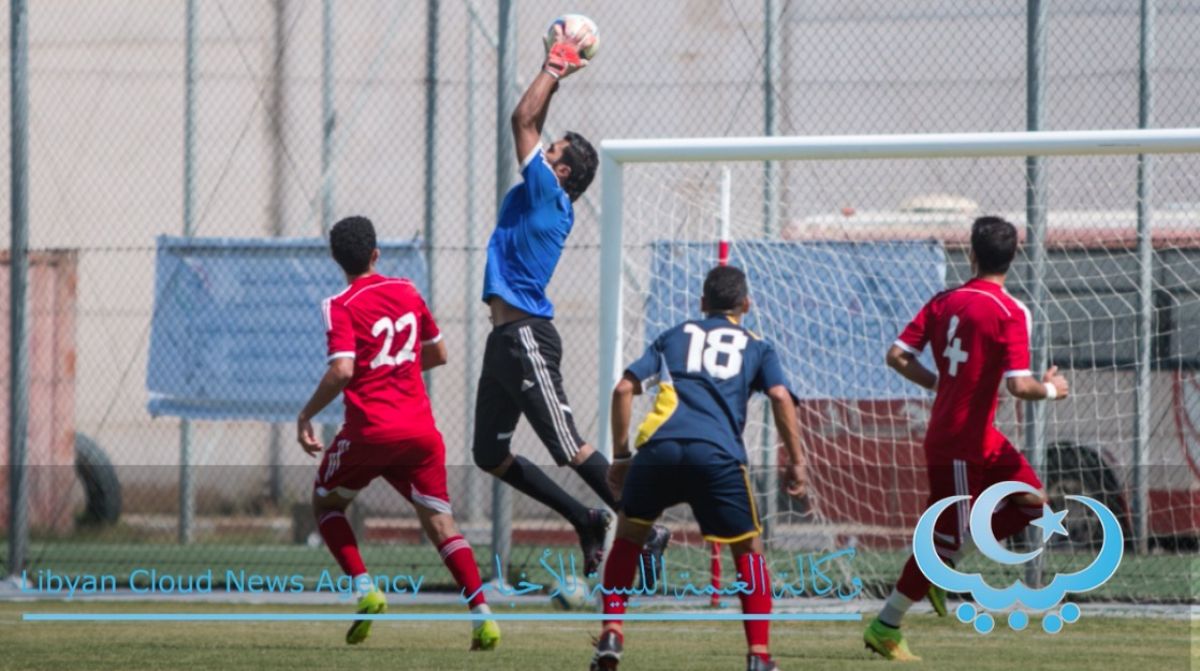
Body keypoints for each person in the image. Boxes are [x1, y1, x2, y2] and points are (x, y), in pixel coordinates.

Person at [472, 26, 668, 576]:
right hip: (504, 341)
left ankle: (643, 527)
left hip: (527, 335)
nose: (541, 145)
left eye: (550, 150)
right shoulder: (548, 189)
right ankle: (586, 519)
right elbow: (534, 124)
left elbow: (522, 120)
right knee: (490, 454)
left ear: (559, 171)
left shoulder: (547, 192)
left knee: (570, 445)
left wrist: (555, 68)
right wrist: (553, 73)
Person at [863, 216, 1069, 661]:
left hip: (979, 436)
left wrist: (942, 385)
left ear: (971, 254)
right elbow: (1020, 386)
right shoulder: (1011, 311)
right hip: (959, 441)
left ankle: (942, 570)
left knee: (1035, 504)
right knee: (943, 541)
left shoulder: (944, 301)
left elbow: (896, 356)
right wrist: (1053, 388)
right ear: (1014, 257)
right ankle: (887, 624)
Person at [591, 266, 808, 671]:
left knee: (628, 537)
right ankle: (759, 655)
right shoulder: (757, 345)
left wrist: (621, 458)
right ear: (746, 305)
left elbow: (623, 389)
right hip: (717, 456)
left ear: (702, 304)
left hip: (659, 453)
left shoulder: (674, 336)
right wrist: (796, 461)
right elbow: (780, 396)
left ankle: (612, 631)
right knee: (748, 549)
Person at [298, 216, 499, 650]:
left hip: (370, 432)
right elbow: (439, 353)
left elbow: (343, 369)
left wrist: (306, 415)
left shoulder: (339, 303)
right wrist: (396, 367)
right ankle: (483, 615)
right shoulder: (407, 290)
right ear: (376, 254)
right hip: (420, 434)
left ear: (338, 260)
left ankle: (365, 588)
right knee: (443, 526)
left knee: (326, 502)